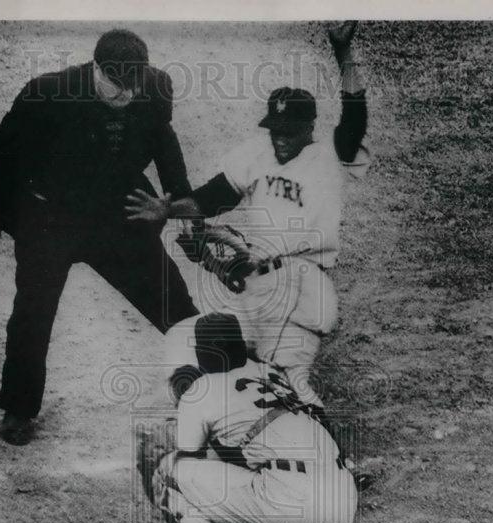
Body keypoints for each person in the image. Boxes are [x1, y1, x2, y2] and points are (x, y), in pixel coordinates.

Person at [0, 29, 199, 445]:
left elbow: (165, 141)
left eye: (134, 85)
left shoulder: (156, 86)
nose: (126, 94)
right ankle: (19, 408)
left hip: (118, 218)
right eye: (116, 84)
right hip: (51, 217)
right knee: (33, 314)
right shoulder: (47, 92)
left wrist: (183, 204)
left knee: (173, 302)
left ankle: (219, 388)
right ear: (96, 69)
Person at [125, 22, 368, 411]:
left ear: (310, 128)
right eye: (275, 129)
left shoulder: (329, 157)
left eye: (290, 130)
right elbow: (211, 199)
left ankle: (335, 459)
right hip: (254, 285)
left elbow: (354, 115)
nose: (280, 137)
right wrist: (168, 210)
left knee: (289, 385)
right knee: (196, 349)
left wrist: (343, 53)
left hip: (302, 285)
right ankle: (212, 438)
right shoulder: (257, 154)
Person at [141, 313, 440, 523]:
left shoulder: (202, 389)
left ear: (203, 354)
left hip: (288, 495)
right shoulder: (272, 375)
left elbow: (190, 461)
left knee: (169, 473)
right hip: (341, 496)